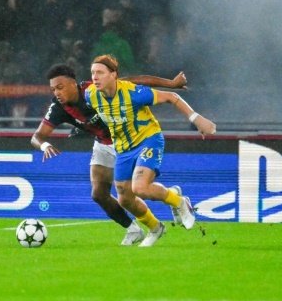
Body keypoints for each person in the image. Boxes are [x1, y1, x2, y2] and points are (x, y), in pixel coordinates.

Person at [31, 63, 188, 246]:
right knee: (98, 194)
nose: (56, 93)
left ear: (73, 84)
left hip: (130, 141)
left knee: (133, 193)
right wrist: (44, 146)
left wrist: (171, 83)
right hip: (103, 144)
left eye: (60, 87)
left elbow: (136, 81)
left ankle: (168, 203)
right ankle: (134, 229)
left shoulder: (94, 89)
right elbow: (37, 136)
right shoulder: (58, 107)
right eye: (53, 90)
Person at [85, 54, 216, 247]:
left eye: (100, 73)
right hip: (122, 148)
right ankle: (156, 228)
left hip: (148, 140)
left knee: (140, 188)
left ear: (113, 75)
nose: (95, 77)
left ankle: (179, 202)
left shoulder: (133, 93)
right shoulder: (91, 95)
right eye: (93, 73)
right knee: (124, 199)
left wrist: (196, 119)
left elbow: (172, 97)